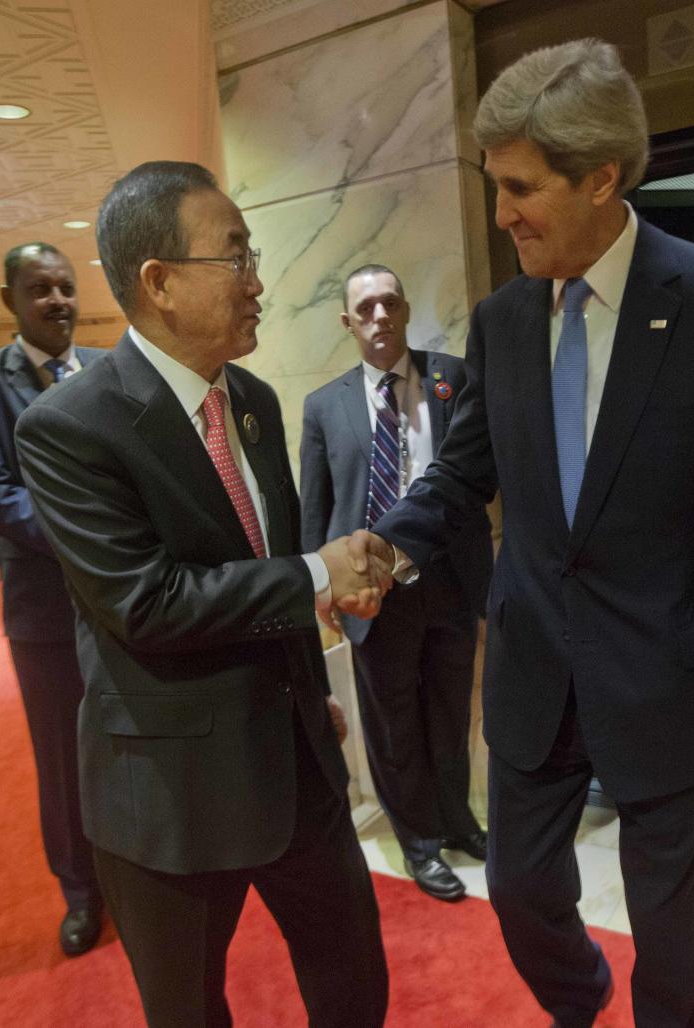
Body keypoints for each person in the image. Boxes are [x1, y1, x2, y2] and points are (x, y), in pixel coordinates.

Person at [351, 39, 694, 1027]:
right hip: (533, 668)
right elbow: (462, 470)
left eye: (522, 187)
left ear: (601, 176)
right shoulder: (502, 320)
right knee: (521, 891)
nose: (503, 213)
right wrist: (388, 546)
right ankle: (584, 1000)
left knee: (677, 927)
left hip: (668, 670)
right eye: (496, 186)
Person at [14, 161, 390, 1028]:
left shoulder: (251, 399)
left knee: (355, 986)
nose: (260, 281)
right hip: (167, 798)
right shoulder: (69, 427)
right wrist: (317, 575)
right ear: (159, 283)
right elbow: (144, 601)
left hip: (297, 764)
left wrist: (311, 683)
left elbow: (268, 563)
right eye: (236, 258)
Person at [300, 264, 493, 901]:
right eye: (366, 309)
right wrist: (321, 589)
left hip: (450, 581)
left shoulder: (453, 378)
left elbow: (471, 480)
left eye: (390, 304)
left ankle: (458, 818)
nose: (380, 318)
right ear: (347, 322)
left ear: (405, 310)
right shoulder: (324, 406)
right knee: (393, 725)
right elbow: (316, 509)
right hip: (371, 596)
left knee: (449, 713)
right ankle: (419, 841)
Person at [0, 244, 104, 954]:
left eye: (67, 287)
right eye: (40, 289)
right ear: (10, 299)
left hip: (126, 605)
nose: (58, 301)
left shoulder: (107, 368)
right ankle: (80, 891)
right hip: (45, 616)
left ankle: (138, 873)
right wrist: (103, 542)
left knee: (131, 743)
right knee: (64, 759)